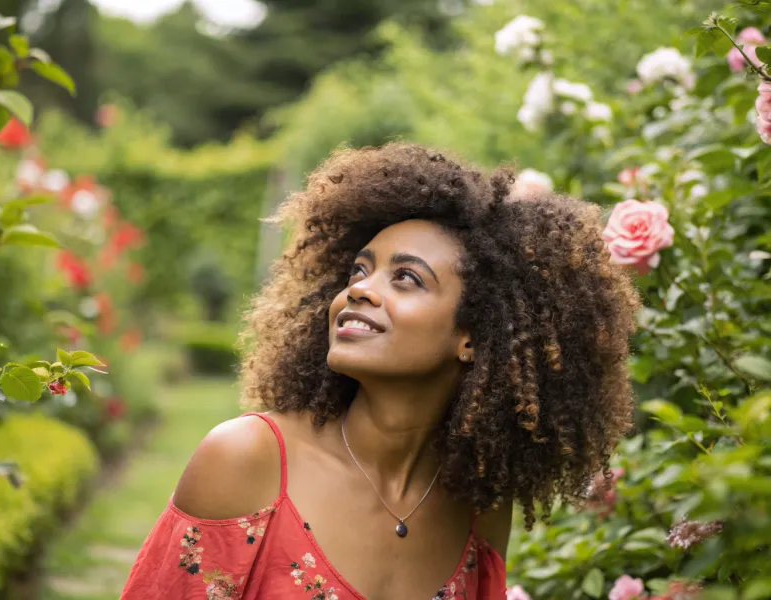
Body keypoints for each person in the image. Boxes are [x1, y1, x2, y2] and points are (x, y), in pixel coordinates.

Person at [121, 142, 641, 600]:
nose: (360, 290)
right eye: (360, 270)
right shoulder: (247, 461)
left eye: (407, 278)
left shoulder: (478, 510)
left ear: (475, 337)